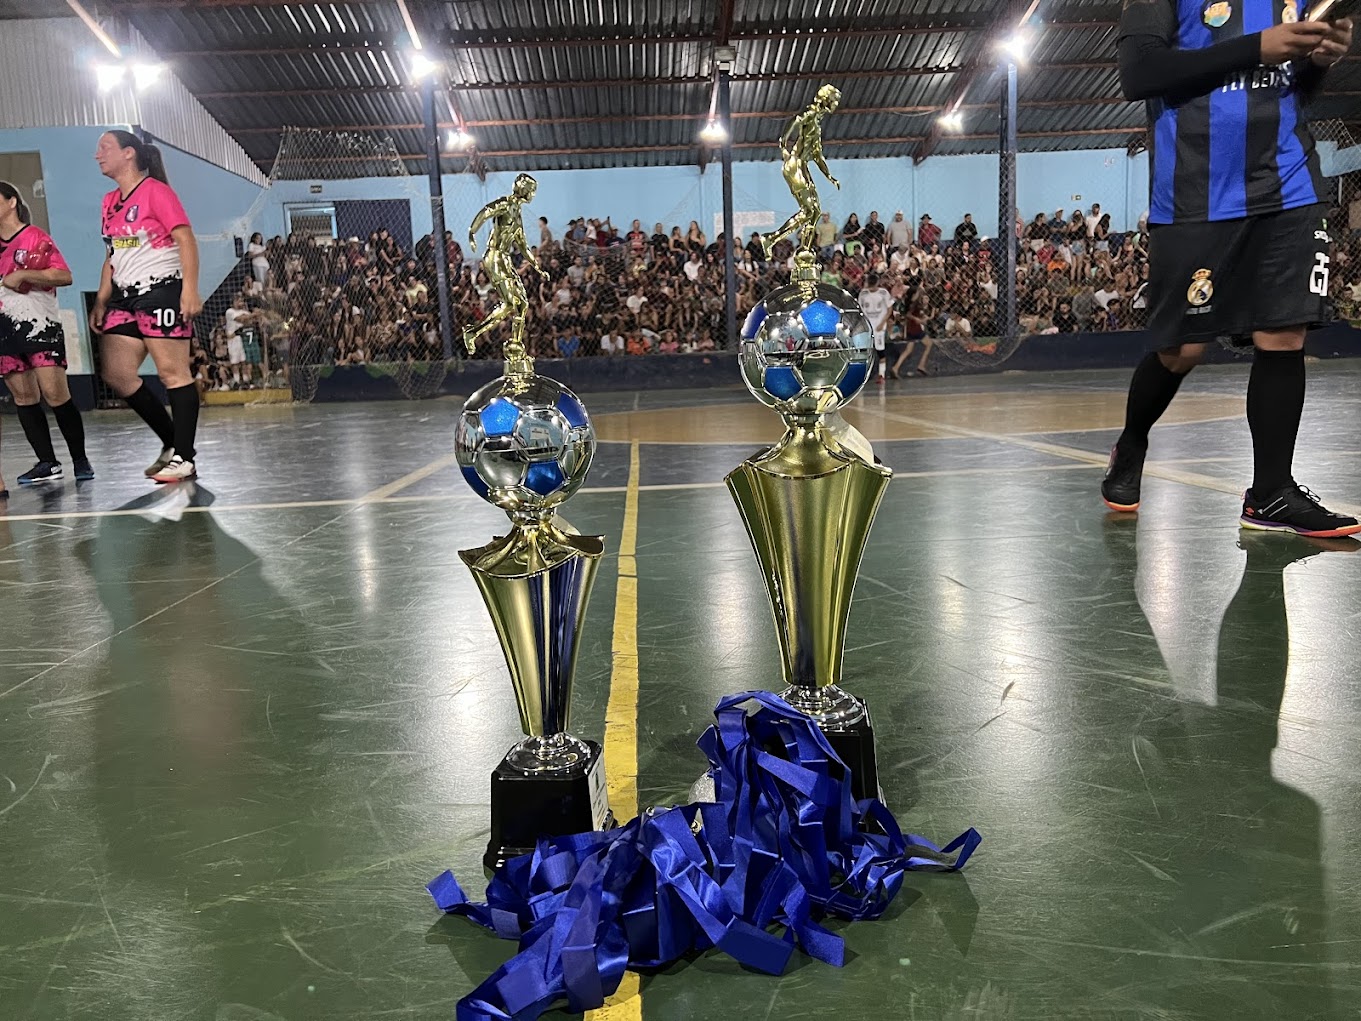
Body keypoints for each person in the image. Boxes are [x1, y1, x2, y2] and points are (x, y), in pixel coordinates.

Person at [1101, 4, 1359, 537]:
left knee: (1284, 333)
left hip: (1288, 184)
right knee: (1182, 350)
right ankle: (1132, 442)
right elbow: (1140, 74)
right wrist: (1256, 47)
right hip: (1194, 192)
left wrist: (1317, 63)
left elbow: (1290, 90)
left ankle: (1271, 492)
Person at [90, 130, 202, 483]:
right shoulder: (109, 201)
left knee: (173, 373)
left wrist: (190, 290)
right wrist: (101, 298)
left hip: (162, 290)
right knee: (117, 374)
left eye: (104, 148)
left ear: (128, 154)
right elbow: (113, 252)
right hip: (125, 295)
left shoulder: (156, 192)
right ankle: (172, 441)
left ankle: (185, 457)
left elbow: (185, 238)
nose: (97, 155)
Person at [0, 182, 93, 489]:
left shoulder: (35, 237)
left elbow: (64, 276)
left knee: (55, 393)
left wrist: (26, 274)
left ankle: (80, 459)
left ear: (11, 201)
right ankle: (47, 462)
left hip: (39, 326)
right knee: (24, 397)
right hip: (4, 330)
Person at [857, 272, 893, 384]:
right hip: (868, 326)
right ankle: (862, 375)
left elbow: (889, 309)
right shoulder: (863, 294)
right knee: (864, 350)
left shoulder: (883, 293)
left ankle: (881, 375)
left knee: (880, 350)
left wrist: (883, 322)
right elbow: (860, 310)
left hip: (878, 326)